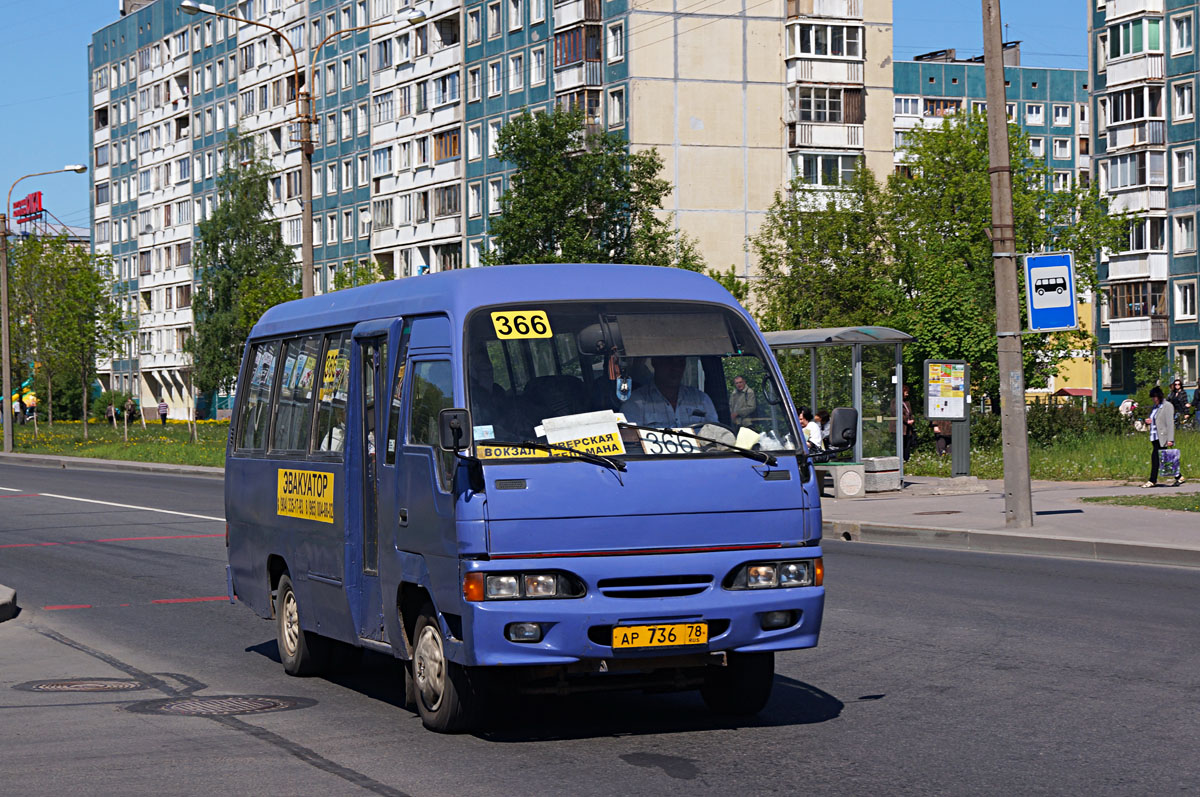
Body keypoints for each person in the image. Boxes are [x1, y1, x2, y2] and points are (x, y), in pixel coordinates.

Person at [620, 355, 718, 428]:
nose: (675, 368)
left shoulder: (701, 399)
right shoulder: (635, 403)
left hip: (701, 455)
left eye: (680, 362)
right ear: (655, 362)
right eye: (669, 361)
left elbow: (717, 436)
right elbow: (630, 442)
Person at [1143, 386, 1184, 488]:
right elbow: (1156, 420)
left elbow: (1170, 423)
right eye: (1152, 397)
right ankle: (1179, 476)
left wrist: (1170, 439)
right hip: (1154, 436)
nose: (1153, 399)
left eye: (1155, 397)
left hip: (1162, 437)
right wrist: (1148, 421)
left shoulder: (1167, 406)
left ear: (1159, 396)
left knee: (1156, 458)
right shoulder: (1155, 407)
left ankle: (1152, 480)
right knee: (1164, 459)